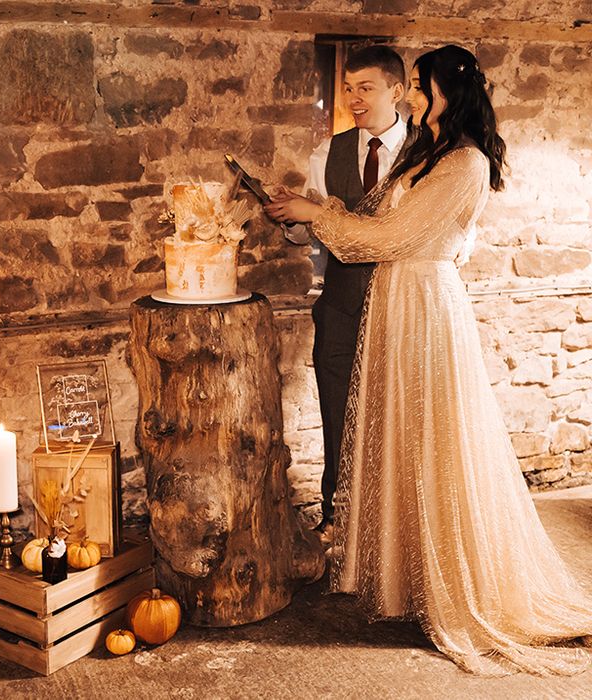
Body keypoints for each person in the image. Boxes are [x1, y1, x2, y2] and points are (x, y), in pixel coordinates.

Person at [265, 45, 592, 676]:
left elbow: (391, 238)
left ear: (446, 89)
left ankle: (457, 581)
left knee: (435, 439)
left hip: (424, 305)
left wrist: (314, 213)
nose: (412, 96)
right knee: (397, 436)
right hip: (396, 298)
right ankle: (404, 573)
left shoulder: (466, 162)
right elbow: (379, 220)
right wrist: (318, 211)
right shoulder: (427, 152)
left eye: (418, 85)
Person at [276, 45, 409, 535]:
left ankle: (397, 524)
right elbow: (314, 234)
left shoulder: (430, 154)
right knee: (338, 412)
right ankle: (339, 517)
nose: (353, 98)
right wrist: (292, 220)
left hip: (404, 306)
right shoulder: (325, 153)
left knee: (400, 415)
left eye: (365, 88)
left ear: (397, 90)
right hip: (339, 306)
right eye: (348, 88)